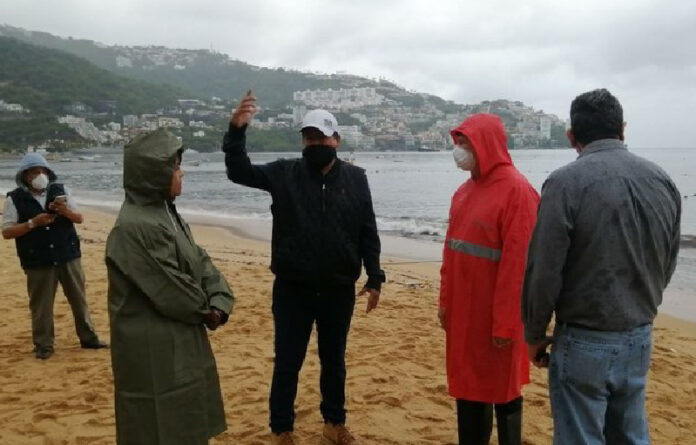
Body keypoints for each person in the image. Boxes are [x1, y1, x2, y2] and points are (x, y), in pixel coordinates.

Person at [223, 92, 385, 445]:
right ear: (303, 141)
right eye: (310, 138)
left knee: (334, 361)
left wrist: (375, 276)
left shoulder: (356, 178)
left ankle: (334, 422)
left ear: (336, 140)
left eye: (322, 137)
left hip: (339, 288)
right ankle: (282, 428)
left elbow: (367, 229)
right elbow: (238, 171)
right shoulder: (284, 173)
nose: (316, 143)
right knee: (287, 361)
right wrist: (236, 132)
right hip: (292, 288)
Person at [522, 89, 681, 445]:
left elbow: (545, 271)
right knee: (631, 433)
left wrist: (533, 333)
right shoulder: (662, 180)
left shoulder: (564, 184)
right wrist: (645, 305)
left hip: (583, 337)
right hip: (639, 332)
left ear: (571, 137)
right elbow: (667, 260)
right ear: (623, 129)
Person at [105, 129, 235, 445]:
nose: (182, 173)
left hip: (182, 335)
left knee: (186, 414)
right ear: (154, 173)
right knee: (156, 422)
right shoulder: (135, 226)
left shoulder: (164, 211)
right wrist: (208, 310)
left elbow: (198, 259)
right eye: (175, 167)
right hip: (151, 343)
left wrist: (220, 297)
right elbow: (171, 288)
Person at [439, 113, 539, 445]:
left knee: (504, 392)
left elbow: (519, 267)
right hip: (464, 315)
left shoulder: (517, 192)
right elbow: (450, 254)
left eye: (465, 143)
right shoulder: (463, 193)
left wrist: (506, 324)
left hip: (497, 318)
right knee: (468, 388)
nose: (459, 150)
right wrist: (445, 304)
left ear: (486, 144)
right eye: (458, 143)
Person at [2, 153, 106, 360]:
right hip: (37, 260)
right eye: (34, 172)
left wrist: (64, 210)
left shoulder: (61, 191)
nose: (39, 175)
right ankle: (43, 346)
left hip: (68, 255)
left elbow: (79, 218)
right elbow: (6, 232)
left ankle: (89, 338)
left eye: (43, 171)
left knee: (79, 299)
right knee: (41, 305)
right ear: (25, 176)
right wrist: (33, 223)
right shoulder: (14, 198)